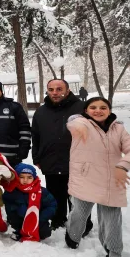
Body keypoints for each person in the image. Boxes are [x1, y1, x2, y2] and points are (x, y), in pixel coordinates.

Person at [64, 97, 130, 257]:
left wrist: (123, 165)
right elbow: (73, 123)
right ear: (86, 110)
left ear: (109, 110)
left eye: (103, 107)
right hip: (85, 179)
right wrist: (78, 124)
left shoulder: (118, 129)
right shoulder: (81, 123)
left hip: (111, 181)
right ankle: (73, 236)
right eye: (93, 107)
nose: (98, 110)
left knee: (112, 220)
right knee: (79, 213)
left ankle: (113, 255)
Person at [31, 78, 85, 229]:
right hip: (50, 160)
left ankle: (80, 224)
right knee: (55, 194)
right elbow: (35, 136)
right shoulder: (41, 112)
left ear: (68, 90)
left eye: (59, 89)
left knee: (77, 196)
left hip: (77, 161)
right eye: (51, 90)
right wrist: (36, 157)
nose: (55, 93)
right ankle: (57, 220)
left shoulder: (82, 108)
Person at [1, 163, 57, 242]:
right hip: (20, 218)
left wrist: (42, 217)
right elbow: (7, 202)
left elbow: (51, 205)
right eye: (22, 177)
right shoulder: (13, 190)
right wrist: (17, 208)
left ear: (34, 178)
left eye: (29, 177)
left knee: (44, 232)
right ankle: (19, 231)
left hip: (38, 219)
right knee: (15, 219)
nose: (25, 180)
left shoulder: (41, 191)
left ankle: (36, 231)